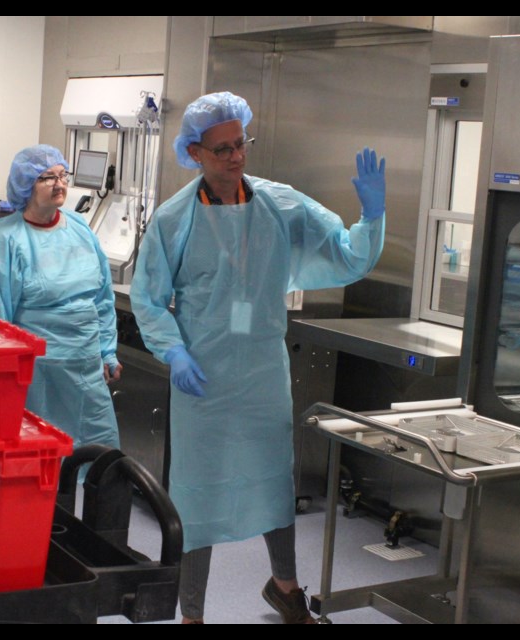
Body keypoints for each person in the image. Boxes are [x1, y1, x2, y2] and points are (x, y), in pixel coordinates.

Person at [129, 92, 386, 624]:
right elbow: (148, 298)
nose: (235, 157)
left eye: (240, 143)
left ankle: (285, 589)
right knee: (196, 499)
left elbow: (345, 253)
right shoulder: (175, 219)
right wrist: (172, 350)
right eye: (221, 149)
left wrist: (373, 215)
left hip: (264, 368)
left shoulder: (281, 203)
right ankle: (192, 615)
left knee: (274, 480)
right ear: (195, 153)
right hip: (203, 374)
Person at [0, 145, 122, 453]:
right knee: (41, 456)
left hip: (86, 367)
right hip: (37, 372)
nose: (59, 184)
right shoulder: (6, 237)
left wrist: (107, 351)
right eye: (47, 177)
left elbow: (103, 297)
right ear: (26, 185)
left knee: (101, 455)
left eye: (62, 175)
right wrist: (1, 374)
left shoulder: (80, 228)